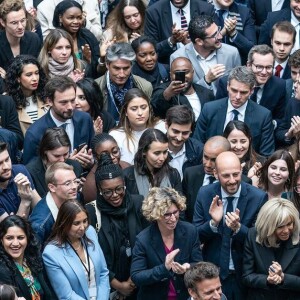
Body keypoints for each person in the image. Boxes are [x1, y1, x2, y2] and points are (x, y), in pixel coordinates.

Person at [193, 151, 267, 299]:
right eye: (226, 176)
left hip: (243, 275)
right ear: (215, 173)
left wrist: (238, 229)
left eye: (236, 174)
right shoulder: (204, 193)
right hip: (212, 276)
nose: (232, 180)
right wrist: (213, 223)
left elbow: (260, 240)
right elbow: (195, 237)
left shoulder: (258, 197)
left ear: (241, 170)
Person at [86, 153, 146, 299]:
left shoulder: (138, 203)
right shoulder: (91, 212)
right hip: (109, 285)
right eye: (107, 192)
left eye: (119, 189)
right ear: (99, 191)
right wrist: (118, 285)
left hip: (139, 280)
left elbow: (148, 241)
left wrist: (133, 280)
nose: (115, 195)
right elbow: (92, 256)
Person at [131, 187, 202, 300]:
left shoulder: (190, 231)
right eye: (167, 214)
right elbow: (137, 276)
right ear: (156, 215)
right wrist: (163, 268)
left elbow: (199, 264)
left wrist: (187, 267)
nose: (173, 218)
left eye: (175, 212)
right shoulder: (143, 239)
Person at [194, 66, 275, 157]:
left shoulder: (263, 116)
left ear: (251, 91)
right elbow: (198, 146)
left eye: (243, 92)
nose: (237, 96)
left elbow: (266, 154)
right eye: (234, 90)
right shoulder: (209, 109)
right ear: (228, 86)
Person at [43, 200, 110, 299]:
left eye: (85, 221)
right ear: (64, 223)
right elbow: (66, 295)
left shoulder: (90, 232)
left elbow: (103, 273)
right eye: (76, 223)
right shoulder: (51, 253)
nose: (83, 227)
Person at [23, 76, 94, 166]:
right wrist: (65, 164)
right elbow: (31, 171)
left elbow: (93, 151)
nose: (70, 107)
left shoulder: (85, 119)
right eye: (63, 102)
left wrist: (91, 161)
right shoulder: (35, 133)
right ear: (49, 101)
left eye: (72, 100)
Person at [243, 198, 300, 299]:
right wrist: (267, 280)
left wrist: (283, 277)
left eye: (289, 224)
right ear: (267, 226)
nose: (286, 230)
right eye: (280, 226)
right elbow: (247, 276)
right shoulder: (253, 235)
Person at [216, 45, 287, 125]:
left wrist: (268, 124)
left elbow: (281, 119)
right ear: (249, 65)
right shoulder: (227, 82)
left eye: (268, 67)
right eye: (259, 67)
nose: (264, 72)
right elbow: (218, 113)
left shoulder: (279, 86)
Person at [170, 15, 241, 95]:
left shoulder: (231, 53)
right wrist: (206, 80)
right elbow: (181, 91)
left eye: (218, 31)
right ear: (199, 41)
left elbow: (240, 84)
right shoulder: (178, 58)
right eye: (214, 35)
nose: (220, 36)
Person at [0, 215, 55, 299]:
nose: (15, 243)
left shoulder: (33, 257)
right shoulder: (2, 271)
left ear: (27, 238)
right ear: (2, 240)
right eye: (9, 238)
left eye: (20, 238)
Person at [95, 42, 152, 122]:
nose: (121, 74)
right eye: (117, 68)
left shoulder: (145, 87)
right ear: (107, 65)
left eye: (126, 68)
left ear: (131, 66)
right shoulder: (96, 87)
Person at [144, 0, 214, 64]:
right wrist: (171, 41)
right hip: (169, 67)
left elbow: (214, 42)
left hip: (203, 62)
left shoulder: (205, 9)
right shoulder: (154, 12)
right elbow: (151, 50)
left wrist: (191, 44)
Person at [109, 88, 165, 165]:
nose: (140, 113)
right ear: (126, 112)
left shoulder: (161, 126)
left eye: (143, 107)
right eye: (134, 109)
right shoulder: (116, 135)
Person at [29, 162, 80, 245]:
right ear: (52, 187)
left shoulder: (73, 196)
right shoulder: (40, 224)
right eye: (67, 183)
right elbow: (34, 255)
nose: (74, 187)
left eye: (75, 181)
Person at [123, 128, 182, 198]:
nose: (162, 158)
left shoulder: (173, 174)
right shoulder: (128, 176)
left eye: (165, 152)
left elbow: (180, 204)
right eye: (157, 153)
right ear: (144, 152)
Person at [25, 128, 82, 198]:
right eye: (57, 156)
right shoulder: (30, 173)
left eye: (65, 154)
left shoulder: (75, 166)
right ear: (45, 151)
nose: (62, 160)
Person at [52, 0, 100, 78]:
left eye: (79, 18)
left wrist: (88, 61)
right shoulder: (54, 38)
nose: (76, 21)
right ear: (60, 18)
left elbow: (98, 68)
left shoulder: (88, 36)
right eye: (71, 18)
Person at [5, 55, 49, 135]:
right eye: (29, 75)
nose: (35, 78)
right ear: (18, 78)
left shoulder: (46, 97)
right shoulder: (7, 102)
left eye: (37, 73)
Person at [82, 133, 130, 204]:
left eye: (115, 152)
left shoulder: (127, 167)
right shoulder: (91, 185)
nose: (112, 157)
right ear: (95, 157)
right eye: (105, 155)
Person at [0, 142, 40, 222]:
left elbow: (40, 207)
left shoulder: (20, 171)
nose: (6, 167)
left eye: (7, 159)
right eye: (0, 163)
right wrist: (25, 201)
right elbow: (13, 231)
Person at [0, 0, 41, 71]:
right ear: (3, 23)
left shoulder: (33, 40)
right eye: (14, 23)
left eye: (22, 21)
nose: (20, 26)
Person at [212, 0, 256, 65]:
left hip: (236, 66)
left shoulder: (244, 12)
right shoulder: (202, 9)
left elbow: (252, 49)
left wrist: (234, 34)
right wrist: (222, 33)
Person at [165, 105, 203, 180]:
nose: (179, 138)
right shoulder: (154, 147)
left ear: (191, 131)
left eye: (185, 133)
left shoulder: (199, 151)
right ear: (166, 125)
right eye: (175, 131)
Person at [37, 0, 102, 41]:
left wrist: (85, 22)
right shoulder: (44, 7)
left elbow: (98, 37)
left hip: (89, 53)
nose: (75, 21)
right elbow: (46, 42)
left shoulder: (91, 2)